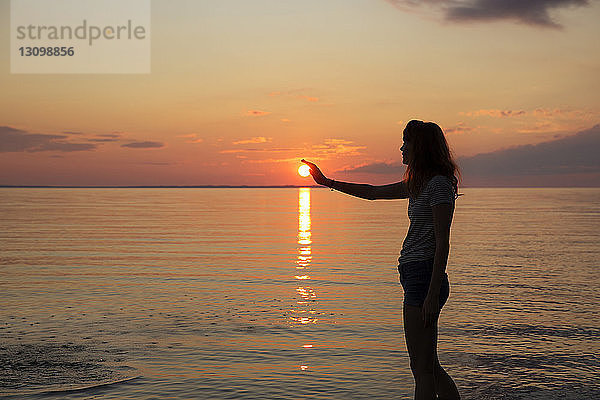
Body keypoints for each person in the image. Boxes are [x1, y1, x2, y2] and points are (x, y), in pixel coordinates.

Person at [301, 119, 461, 400]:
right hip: (416, 276)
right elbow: (373, 193)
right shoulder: (420, 184)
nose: (401, 148)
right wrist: (327, 182)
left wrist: (432, 293)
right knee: (429, 367)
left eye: (406, 143)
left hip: (425, 278)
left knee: (421, 369)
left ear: (419, 147)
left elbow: (442, 243)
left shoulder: (437, 185)